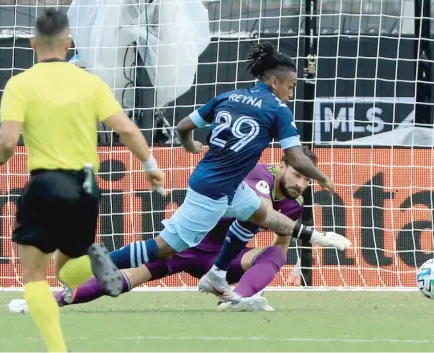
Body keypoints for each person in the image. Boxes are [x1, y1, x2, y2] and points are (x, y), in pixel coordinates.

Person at [100, 42, 352, 302]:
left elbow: (183, 126)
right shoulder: (278, 110)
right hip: (214, 190)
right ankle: (100, 262)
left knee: (260, 214)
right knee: (163, 248)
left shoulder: (228, 97)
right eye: (291, 87)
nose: (291, 93)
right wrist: (322, 178)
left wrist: (190, 145)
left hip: (229, 185)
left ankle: (218, 275)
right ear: (275, 82)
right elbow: (296, 157)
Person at [0, 8, 164, 352]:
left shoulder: (20, 84)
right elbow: (127, 129)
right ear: (69, 43)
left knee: (35, 277)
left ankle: (58, 349)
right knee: (68, 268)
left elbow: (8, 143)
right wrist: (149, 164)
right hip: (86, 186)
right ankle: (97, 261)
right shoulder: (90, 82)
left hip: (46, 183)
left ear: (32, 43)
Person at [7, 149, 321, 313]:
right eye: (297, 174)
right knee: (123, 279)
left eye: (307, 180)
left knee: (274, 253)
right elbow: (262, 209)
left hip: (223, 261)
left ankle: (239, 297)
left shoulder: (295, 205)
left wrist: (257, 278)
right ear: (282, 165)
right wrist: (314, 235)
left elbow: (280, 244)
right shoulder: (257, 173)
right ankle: (51, 300)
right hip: (184, 246)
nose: (300, 183)